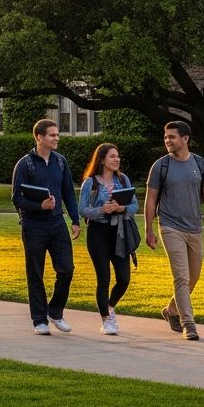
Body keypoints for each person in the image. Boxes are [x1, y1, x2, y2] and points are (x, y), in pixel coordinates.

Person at [145, 120, 204, 342]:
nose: (167, 140)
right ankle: (189, 324)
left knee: (194, 275)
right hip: (169, 226)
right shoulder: (161, 166)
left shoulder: (200, 163)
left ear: (185, 138)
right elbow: (151, 199)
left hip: (193, 227)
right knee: (182, 276)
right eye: (166, 137)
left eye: (172, 137)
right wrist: (148, 229)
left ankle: (171, 310)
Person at [11, 119, 81, 335]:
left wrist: (75, 220)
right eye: (52, 135)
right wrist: (39, 205)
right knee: (35, 273)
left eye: (57, 134)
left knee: (67, 269)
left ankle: (55, 311)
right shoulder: (25, 164)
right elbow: (16, 199)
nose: (56, 138)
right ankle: (39, 320)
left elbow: (68, 192)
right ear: (39, 137)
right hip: (33, 225)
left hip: (57, 223)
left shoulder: (61, 162)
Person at [79, 142, 138, 335]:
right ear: (102, 159)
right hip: (98, 234)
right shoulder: (91, 182)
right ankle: (106, 319)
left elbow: (134, 206)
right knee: (103, 278)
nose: (117, 159)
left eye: (118, 156)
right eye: (112, 156)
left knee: (124, 278)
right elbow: (82, 210)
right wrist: (101, 210)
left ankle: (110, 305)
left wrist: (121, 208)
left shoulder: (124, 180)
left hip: (119, 233)